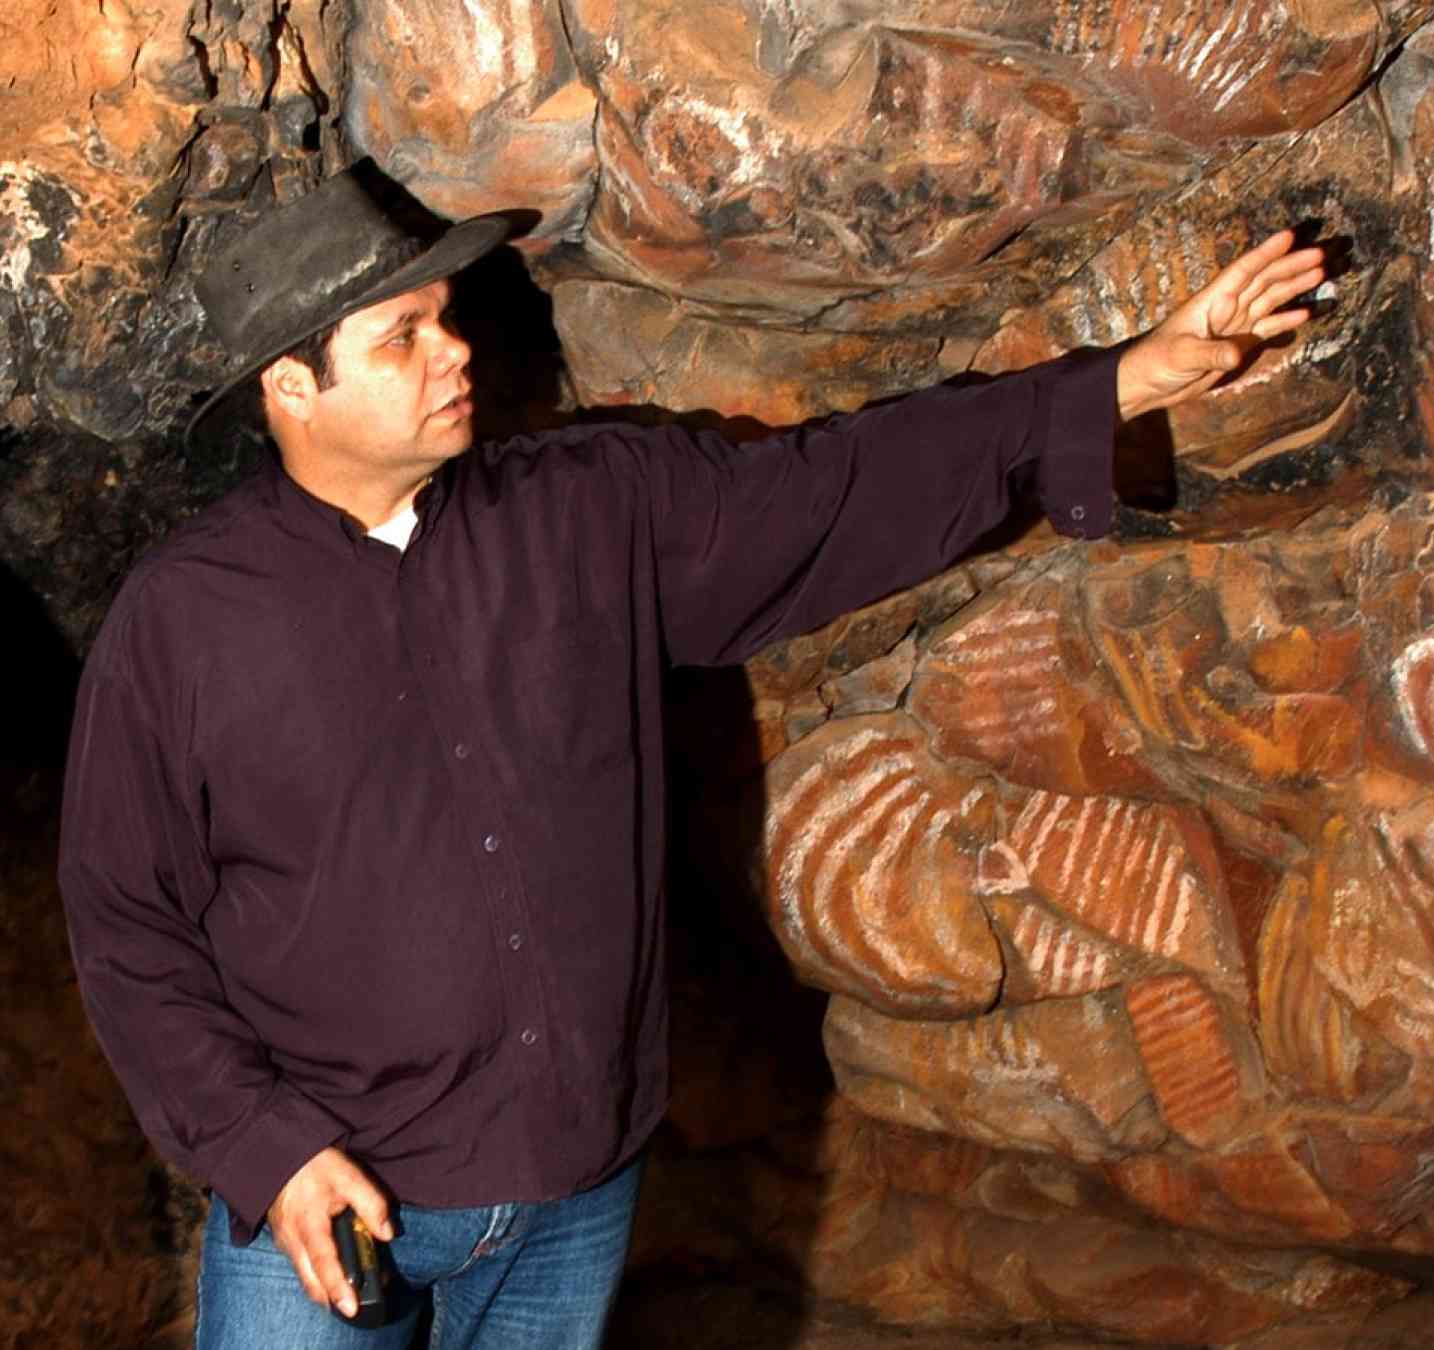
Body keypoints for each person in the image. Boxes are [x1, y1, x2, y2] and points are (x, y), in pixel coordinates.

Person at [57, 161, 1325, 1349]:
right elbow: (125, 921)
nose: (455, 352)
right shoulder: (182, 626)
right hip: (323, 1202)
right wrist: (263, 1146)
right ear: (293, 387)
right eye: (400, 338)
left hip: (571, 1185)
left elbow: (840, 483)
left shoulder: (587, 510)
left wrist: (1122, 382)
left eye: (444, 316)